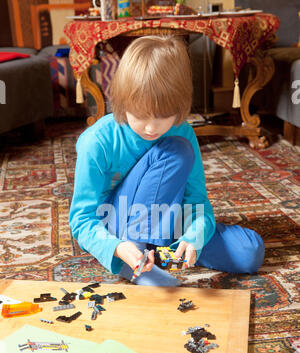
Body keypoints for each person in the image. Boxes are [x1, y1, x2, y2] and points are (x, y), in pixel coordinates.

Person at [69, 35, 265, 286]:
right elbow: (82, 219)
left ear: (180, 106)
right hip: (118, 225)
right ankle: (137, 257)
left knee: (249, 251)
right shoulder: (97, 141)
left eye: (164, 116)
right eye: (140, 115)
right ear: (123, 99)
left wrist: (193, 237)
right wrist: (117, 247)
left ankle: (156, 251)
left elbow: (197, 202)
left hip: (168, 216)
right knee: (175, 151)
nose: (151, 127)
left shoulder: (182, 129)